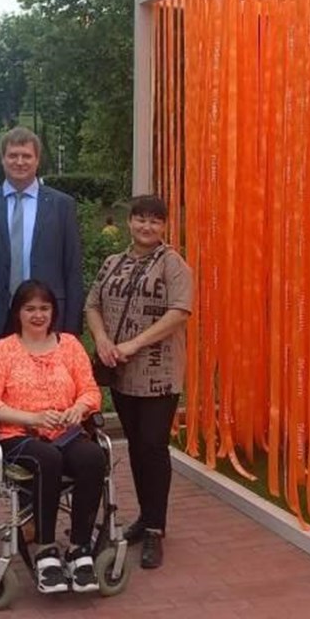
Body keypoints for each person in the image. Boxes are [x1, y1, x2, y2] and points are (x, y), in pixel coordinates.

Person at [0, 280, 105, 595]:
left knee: (93, 457)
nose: (38, 315)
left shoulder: (70, 345)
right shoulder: (2, 350)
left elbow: (90, 391)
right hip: (19, 434)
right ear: (18, 313)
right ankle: (46, 550)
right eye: (30, 308)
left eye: (44, 308)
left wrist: (78, 408)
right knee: (48, 459)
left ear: (53, 311)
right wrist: (32, 418)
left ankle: (79, 548)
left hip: (65, 430)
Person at [84, 195, 193, 570]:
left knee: (153, 446)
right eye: (141, 219)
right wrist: (101, 339)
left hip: (158, 373)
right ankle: (146, 517)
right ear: (129, 222)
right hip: (121, 371)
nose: (147, 227)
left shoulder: (173, 264)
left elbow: (180, 312)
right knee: (135, 445)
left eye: (155, 221)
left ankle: (156, 530)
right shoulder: (114, 262)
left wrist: (134, 343)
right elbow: (92, 304)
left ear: (164, 226)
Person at [0, 127, 84, 359]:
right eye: (13, 155)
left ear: (37, 160)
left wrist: (71, 328)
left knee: (46, 382)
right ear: (2, 159)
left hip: (48, 318)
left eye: (26, 156)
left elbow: (73, 267)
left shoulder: (62, 206)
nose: (19, 162)